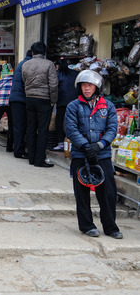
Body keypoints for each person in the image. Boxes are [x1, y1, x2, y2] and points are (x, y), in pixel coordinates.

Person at [64, 70, 123, 239]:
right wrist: (84, 145)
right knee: (81, 193)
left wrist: (100, 145)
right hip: (80, 155)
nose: (86, 88)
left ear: (97, 87)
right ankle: (87, 226)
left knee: (108, 193)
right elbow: (70, 128)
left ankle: (111, 227)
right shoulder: (73, 106)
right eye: (83, 85)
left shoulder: (108, 106)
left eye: (89, 85)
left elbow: (112, 128)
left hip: (102, 154)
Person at [22, 41, 58, 167]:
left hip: (30, 98)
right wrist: (53, 100)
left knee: (31, 129)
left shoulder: (25, 64)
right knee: (42, 130)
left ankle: (31, 158)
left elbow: (24, 80)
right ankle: (39, 160)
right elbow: (53, 84)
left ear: (32, 52)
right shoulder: (49, 64)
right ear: (44, 52)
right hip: (44, 99)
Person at [8, 50, 32, 159]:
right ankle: (18, 151)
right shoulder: (27, 65)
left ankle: (14, 148)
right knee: (20, 126)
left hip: (16, 98)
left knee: (17, 126)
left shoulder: (22, 63)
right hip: (20, 99)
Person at [53, 58, 78, 151]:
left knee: (59, 122)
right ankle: (71, 142)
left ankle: (61, 143)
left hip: (62, 101)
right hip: (74, 101)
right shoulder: (74, 73)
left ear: (57, 66)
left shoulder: (57, 74)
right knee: (72, 122)